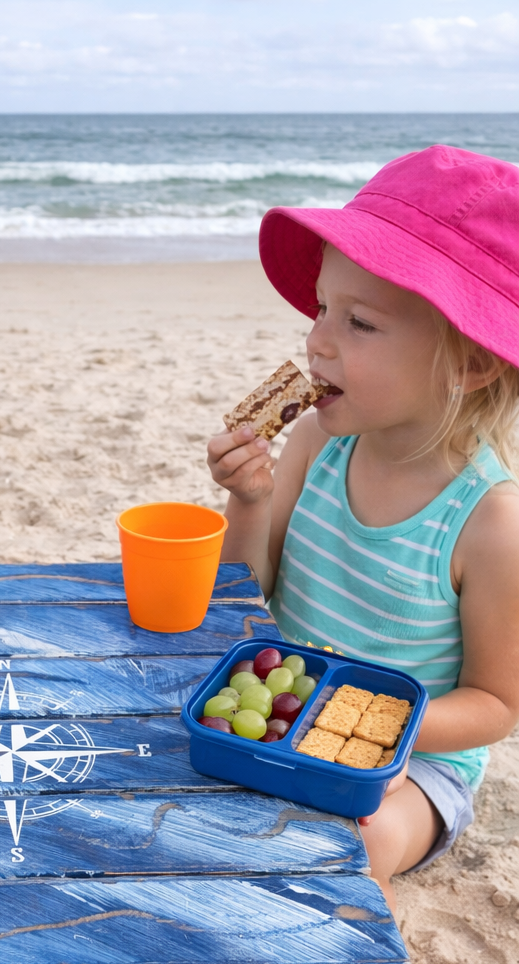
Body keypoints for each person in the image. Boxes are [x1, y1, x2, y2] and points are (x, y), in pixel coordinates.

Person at [208, 146, 519, 911]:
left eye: (360, 323)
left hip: (413, 762)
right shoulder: (316, 443)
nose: (316, 342)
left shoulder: (489, 522)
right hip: (276, 707)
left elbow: (496, 704)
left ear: (470, 362)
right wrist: (248, 502)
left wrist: (361, 720)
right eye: (320, 308)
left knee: (357, 845)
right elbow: (246, 594)